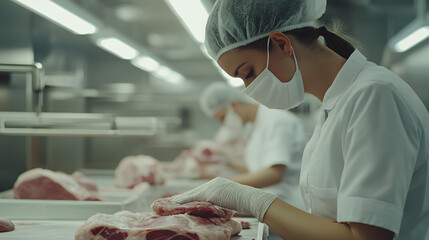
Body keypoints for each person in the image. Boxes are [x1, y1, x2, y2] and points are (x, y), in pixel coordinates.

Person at [172, 0, 429, 240]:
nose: (249, 88)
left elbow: (364, 236)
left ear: (282, 44)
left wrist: (255, 201)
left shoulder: (374, 96)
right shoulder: (333, 106)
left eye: (248, 73)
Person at [199, 82, 306, 212]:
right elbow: (260, 167)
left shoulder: (276, 122)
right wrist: (228, 162)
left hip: (287, 207)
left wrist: (222, 184)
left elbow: (274, 174)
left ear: (234, 105)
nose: (223, 124)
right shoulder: (257, 125)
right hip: (270, 204)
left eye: (222, 117)